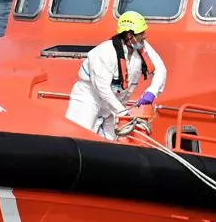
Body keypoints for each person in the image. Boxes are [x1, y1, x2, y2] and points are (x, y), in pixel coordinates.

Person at [65, 11, 168, 139]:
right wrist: (123, 113)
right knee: (79, 136)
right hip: (89, 99)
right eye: (141, 33)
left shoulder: (141, 47)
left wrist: (152, 92)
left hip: (117, 102)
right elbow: (102, 89)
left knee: (110, 142)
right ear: (130, 35)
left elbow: (160, 69)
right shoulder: (104, 53)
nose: (144, 36)